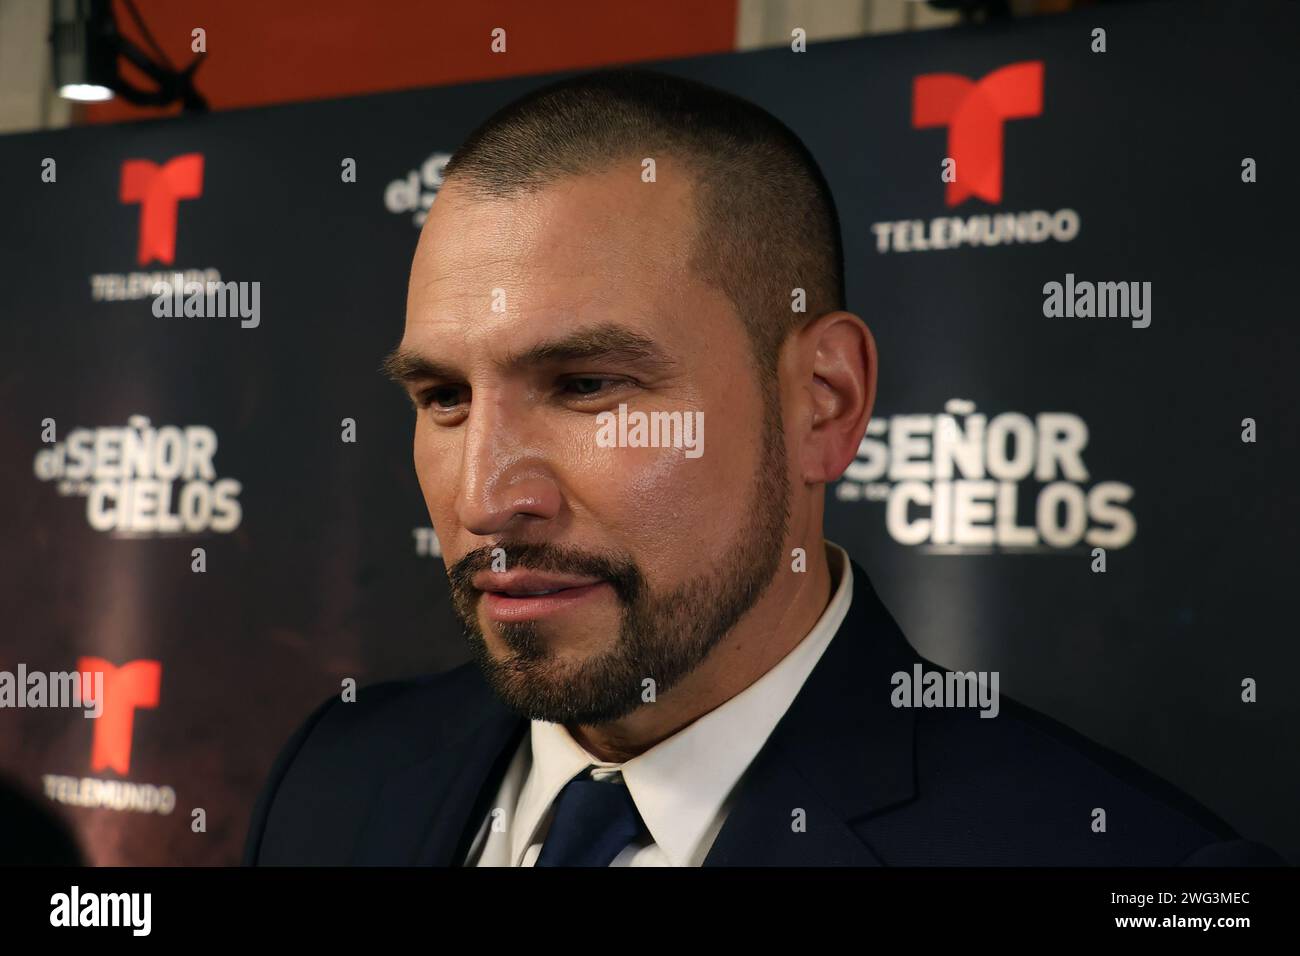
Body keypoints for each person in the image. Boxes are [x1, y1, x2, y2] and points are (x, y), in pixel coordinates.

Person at [244, 69, 1277, 866]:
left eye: (588, 385)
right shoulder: (334, 779)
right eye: (443, 398)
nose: (485, 498)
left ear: (823, 402)